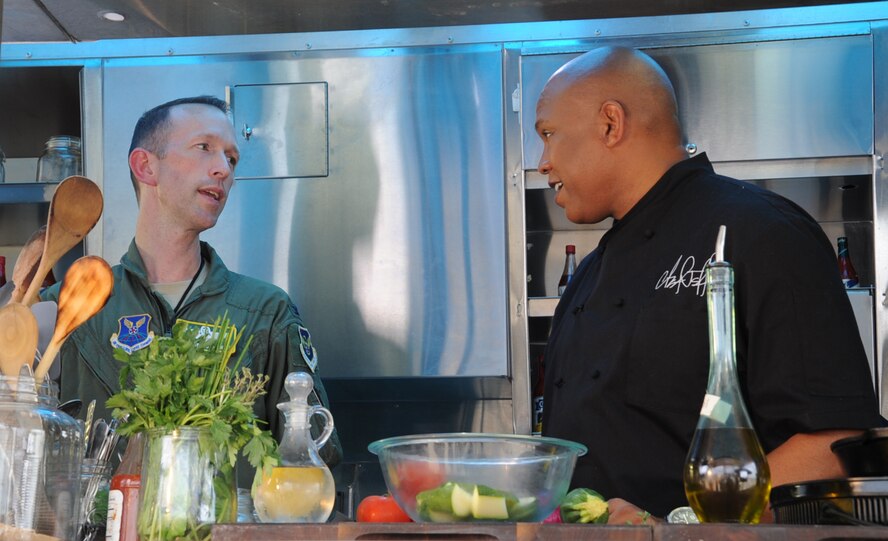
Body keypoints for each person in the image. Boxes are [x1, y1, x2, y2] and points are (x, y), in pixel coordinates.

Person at [535, 46, 882, 522]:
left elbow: (831, 445)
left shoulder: (762, 233)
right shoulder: (586, 278)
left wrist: (677, 530)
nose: (543, 162)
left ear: (611, 123)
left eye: (548, 135)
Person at [43, 95, 342, 483]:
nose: (223, 170)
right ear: (146, 166)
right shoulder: (65, 308)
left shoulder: (266, 313)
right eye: (204, 148)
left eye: (231, 159)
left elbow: (313, 462)